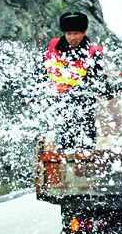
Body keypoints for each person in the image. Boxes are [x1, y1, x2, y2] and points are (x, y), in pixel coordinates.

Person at [44, 11, 105, 148]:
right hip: (58, 101)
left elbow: (94, 81)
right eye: (69, 34)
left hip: (83, 102)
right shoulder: (53, 47)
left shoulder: (93, 53)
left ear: (83, 33)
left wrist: (75, 92)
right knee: (65, 139)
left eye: (76, 33)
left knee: (87, 140)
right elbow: (42, 71)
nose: (72, 38)